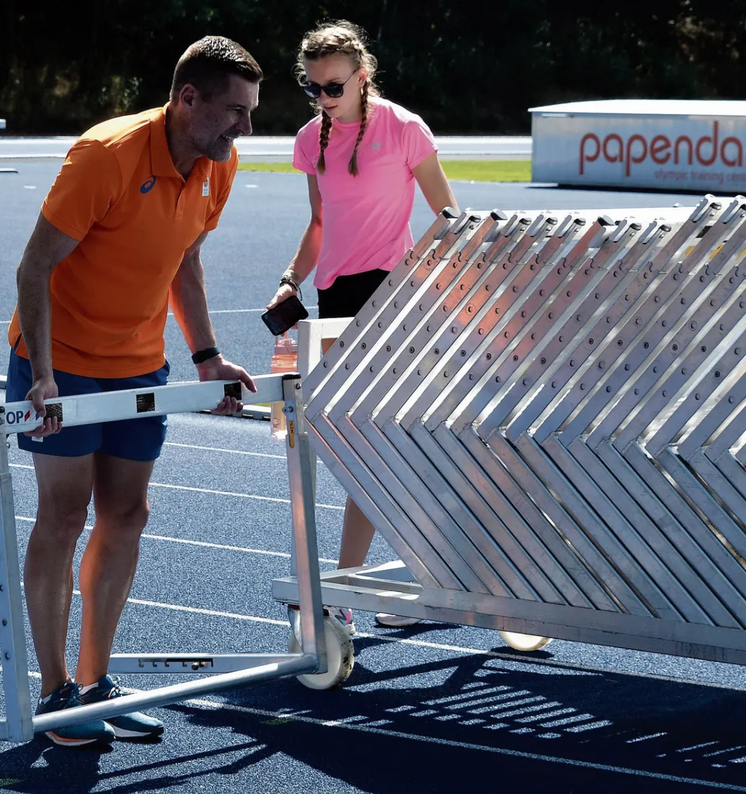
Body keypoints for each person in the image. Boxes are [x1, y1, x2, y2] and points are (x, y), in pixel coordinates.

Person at [6, 36, 261, 747]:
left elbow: (184, 260)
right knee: (63, 518)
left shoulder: (218, 164)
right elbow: (34, 269)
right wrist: (46, 372)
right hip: (62, 361)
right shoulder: (106, 156)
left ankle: (95, 683)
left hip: (137, 364)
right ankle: (57, 695)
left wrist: (205, 355)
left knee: (128, 514)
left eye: (250, 112)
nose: (245, 127)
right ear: (187, 100)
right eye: (234, 112)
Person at [266, 20, 459, 633]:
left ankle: (348, 589)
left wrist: (420, 277)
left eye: (334, 86)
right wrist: (290, 279)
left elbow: (448, 215)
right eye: (313, 86)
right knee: (357, 448)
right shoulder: (308, 139)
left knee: (373, 447)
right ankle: (395, 575)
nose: (323, 97)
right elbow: (320, 226)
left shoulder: (403, 129)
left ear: (362, 76)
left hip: (394, 293)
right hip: (335, 298)